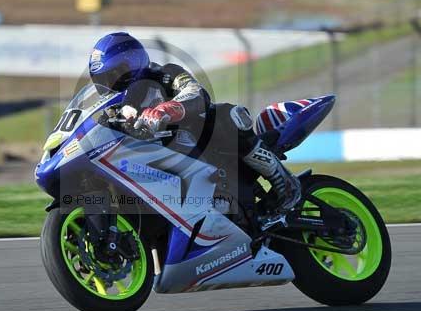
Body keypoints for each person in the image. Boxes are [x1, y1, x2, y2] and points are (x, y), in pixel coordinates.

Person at [88, 32, 301, 223]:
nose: (112, 84)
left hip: (199, 143)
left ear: (133, 63)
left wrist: (166, 110)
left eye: (116, 74)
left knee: (226, 114)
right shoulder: (114, 110)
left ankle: (285, 183)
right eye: (105, 80)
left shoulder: (166, 73)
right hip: (151, 163)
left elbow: (196, 92)